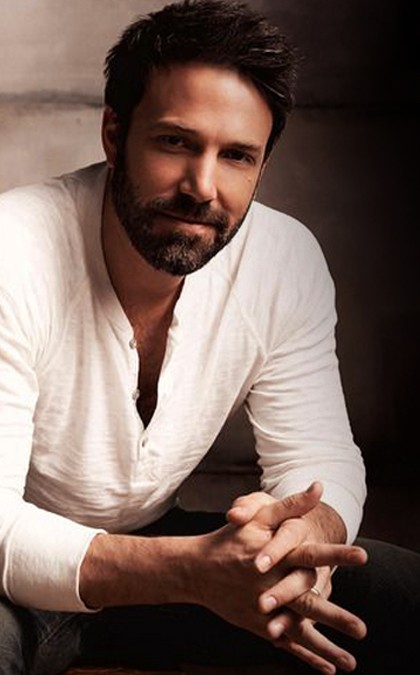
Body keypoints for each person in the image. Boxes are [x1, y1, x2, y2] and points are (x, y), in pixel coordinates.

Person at [0, 1, 418, 673]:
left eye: (237, 157)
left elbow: (318, 456)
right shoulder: (13, 250)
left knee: (404, 596)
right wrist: (191, 571)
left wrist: (300, 540)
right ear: (114, 134)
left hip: (163, 551)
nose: (202, 187)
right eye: (175, 142)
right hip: (14, 574)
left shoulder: (284, 260)